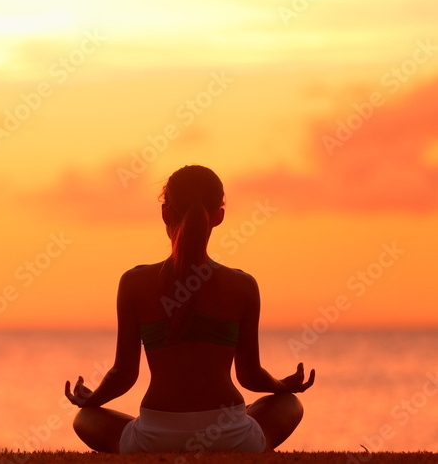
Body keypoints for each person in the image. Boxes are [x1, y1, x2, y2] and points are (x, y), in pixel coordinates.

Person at [65, 165, 315, 453]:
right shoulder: (243, 285)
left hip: (153, 438)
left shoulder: (134, 283)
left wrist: (92, 398)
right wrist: (283, 386)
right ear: (219, 216)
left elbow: (124, 374)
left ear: (165, 213)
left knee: (85, 418)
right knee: (289, 403)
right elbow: (250, 376)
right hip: (232, 436)